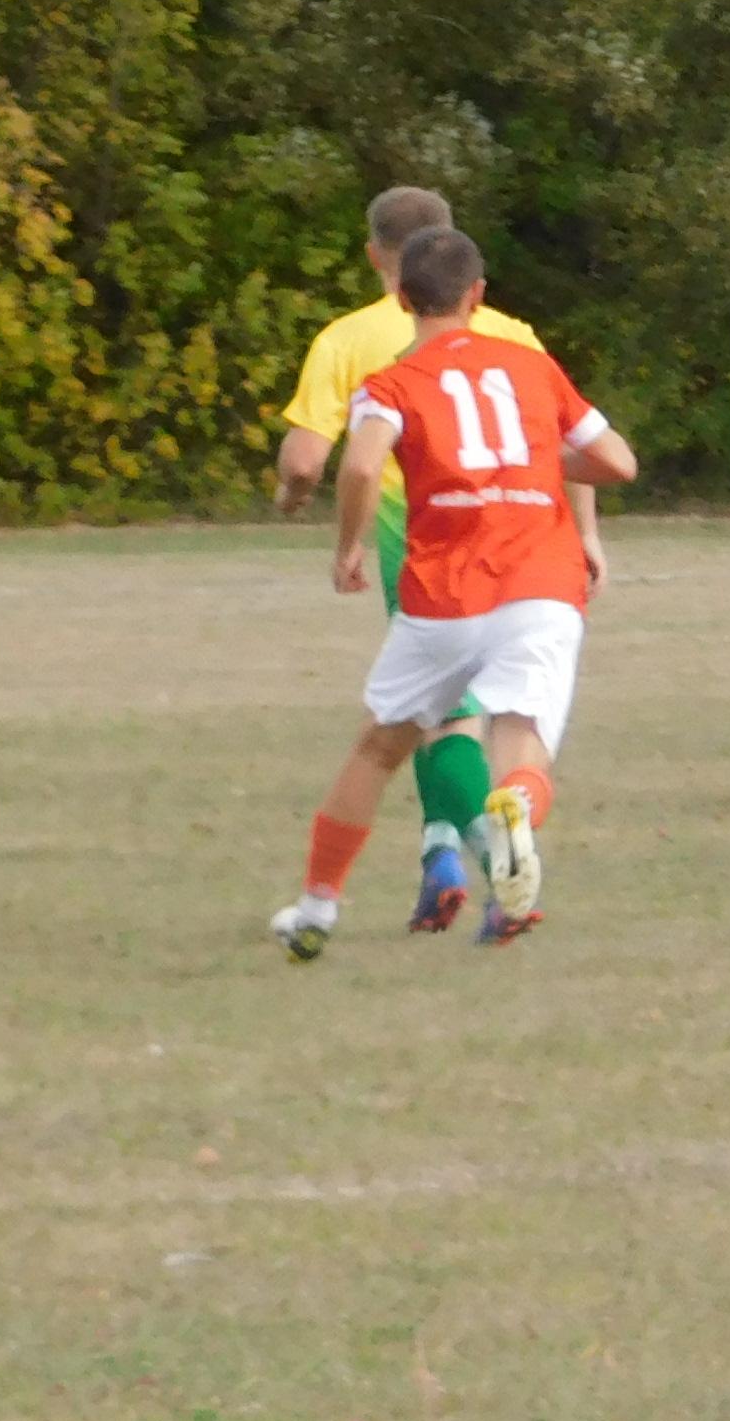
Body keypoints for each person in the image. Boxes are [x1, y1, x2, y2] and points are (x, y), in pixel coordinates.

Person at [270, 227, 634, 956]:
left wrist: (349, 546)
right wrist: (535, 471)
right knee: (519, 739)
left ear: (403, 298)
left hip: (444, 591)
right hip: (540, 582)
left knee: (379, 749)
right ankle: (515, 814)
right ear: (478, 295)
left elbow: (362, 468)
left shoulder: (393, 384)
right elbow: (617, 462)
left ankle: (316, 908)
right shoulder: (531, 365)